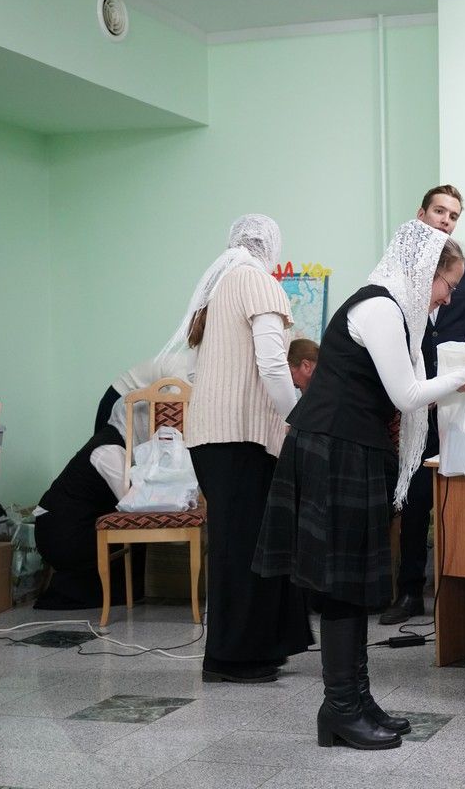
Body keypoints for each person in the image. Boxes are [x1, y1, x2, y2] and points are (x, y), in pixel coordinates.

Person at [253, 220, 465, 751]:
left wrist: (461, 378)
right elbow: (408, 394)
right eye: (448, 284)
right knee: (342, 585)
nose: (447, 297)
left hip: (350, 449)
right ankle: (341, 706)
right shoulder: (380, 308)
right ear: (425, 272)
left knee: (353, 585)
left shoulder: (393, 309)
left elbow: (405, 390)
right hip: (334, 450)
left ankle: (352, 701)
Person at [161, 213, 313, 684]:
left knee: (242, 544)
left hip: (214, 437)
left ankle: (264, 646)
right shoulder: (258, 282)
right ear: (270, 245)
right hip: (240, 438)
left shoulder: (220, 285)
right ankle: (232, 658)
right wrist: (298, 418)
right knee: (248, 548)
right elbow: (273, 364)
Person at [380, 185, 465, 626]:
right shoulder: (397, 275)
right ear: (421, 215)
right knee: (416, 498)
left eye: (454, 215)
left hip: (462, 404)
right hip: (416, 404)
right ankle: (409, 592)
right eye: (439, 211)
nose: (446, 220)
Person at [34, 397, 147, 610]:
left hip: (73, 525)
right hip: (61, 534)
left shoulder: (120, 444)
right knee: (140, 530)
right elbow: (135, 504)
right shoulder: (109, 451)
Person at [93, 350, 194, 432]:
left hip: (135, 401)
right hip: (118, 395)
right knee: (102, 444)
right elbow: (175, 408)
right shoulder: (184, 368)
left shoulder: (190, 362)